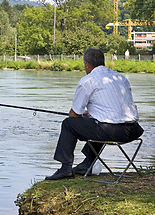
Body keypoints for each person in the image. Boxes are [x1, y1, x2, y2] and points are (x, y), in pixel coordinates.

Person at [45, 48, 144, 180]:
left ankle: (65, 168)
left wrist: (81, 116)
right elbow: (113, 111)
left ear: (87, 64)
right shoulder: (120, 77)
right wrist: (92, 115)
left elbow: (74, 114)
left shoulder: (88, 80)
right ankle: (87, 164)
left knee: (68, 124)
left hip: (111, 131)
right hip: (133, 130)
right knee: (98, 122)